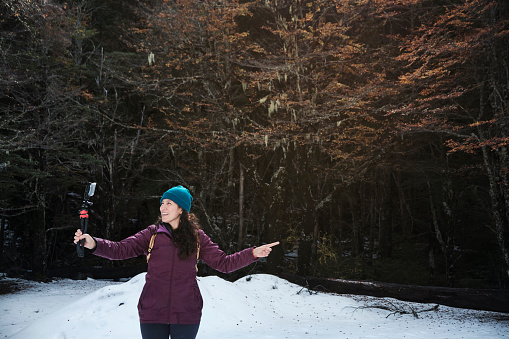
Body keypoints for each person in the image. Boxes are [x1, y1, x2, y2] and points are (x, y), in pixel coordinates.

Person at [73, 185, 279, 339]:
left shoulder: (198, 238)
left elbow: (224, 263)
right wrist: (94, 243)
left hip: (186, 313)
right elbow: (120, 250)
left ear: (182, 209)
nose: (163, 207)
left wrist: (253, 253)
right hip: (153, 311)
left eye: (169, 203)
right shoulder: (151, 235)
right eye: (162, 203)